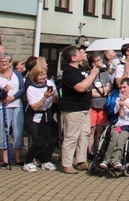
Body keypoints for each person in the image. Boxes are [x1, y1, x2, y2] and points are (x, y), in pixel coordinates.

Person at [59, 45, 101, 174]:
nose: (82, 53)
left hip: (84, 108)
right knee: (72, 136)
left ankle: (81, 161)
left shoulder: (81, 69)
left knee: (84, 135)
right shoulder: (69, 71)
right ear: (73, 57)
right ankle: (66, 164)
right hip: (73, 109)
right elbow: (81, 87)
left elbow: (87, 87)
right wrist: (93, 75)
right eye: (79, 52)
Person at [22, 65, 59, 172]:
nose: (43, 77)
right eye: (40, 75)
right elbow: (34, 106)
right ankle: (28, 161)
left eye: (44, 74)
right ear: (35, 76)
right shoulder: (31, 88)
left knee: (52, 141)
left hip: (47, 114)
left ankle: (45, 160)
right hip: (34, 116)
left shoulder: (50, 84)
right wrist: (45, 97)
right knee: (38, 142)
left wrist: (53, 96)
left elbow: (56, 100)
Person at [101, 77, 129, 171]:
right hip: (120, 124)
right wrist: (121, 104)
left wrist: (125, 103)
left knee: (122, 138)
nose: (122, 90)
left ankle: (116, 159)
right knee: (114, 136)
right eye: (121, 88)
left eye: (124, 87)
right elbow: (122, 115)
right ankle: (106, 160)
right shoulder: (118, 100)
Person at [0, 52, 25, 168]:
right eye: (1, 62)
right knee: (3, 131)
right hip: (3, 107)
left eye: (6, 62)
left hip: (17, 105)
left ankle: (18, 158)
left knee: (18, 131)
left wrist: (13, 97)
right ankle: (5, 160)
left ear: (11, 63)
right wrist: (4, 92)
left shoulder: (17, 74)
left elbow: (22, 89)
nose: (4, 64)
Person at [88, 53, 112, 158]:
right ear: (93, 64)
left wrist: (101, 92)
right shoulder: (90, 74)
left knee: (100, 129)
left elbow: (108, 88)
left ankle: (99, 150)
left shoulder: (105, 73)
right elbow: (90, 92)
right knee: (91, 129)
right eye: (98, 60)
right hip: (92, 105)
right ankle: (90, 152)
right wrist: (102, 92)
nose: (101, 61)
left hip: (103, 106)